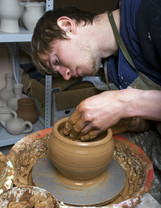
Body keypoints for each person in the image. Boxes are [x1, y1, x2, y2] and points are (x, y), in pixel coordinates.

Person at [31, 0, 161, 141]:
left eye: (56, 61)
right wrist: (129, 121)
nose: (66, 76)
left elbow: (129, 103)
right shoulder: (112, 66)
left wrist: (124, 104)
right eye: (57, 72)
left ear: (67, 26)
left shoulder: (150, 10)